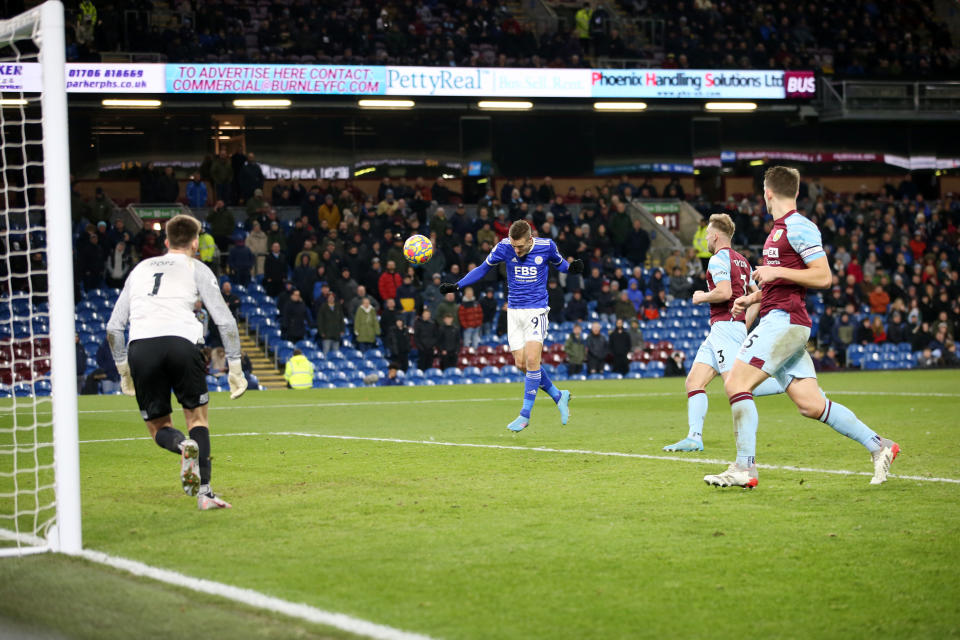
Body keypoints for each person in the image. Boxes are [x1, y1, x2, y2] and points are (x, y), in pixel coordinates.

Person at [705, 167, 899, 489]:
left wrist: (775, 272)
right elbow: (783, 282)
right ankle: (880, 446)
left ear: (768, 193)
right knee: (811, 404)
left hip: (785, 321)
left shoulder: (798, 226)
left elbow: (823, 277)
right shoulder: (777, 230)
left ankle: (744, 468)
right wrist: (753, 297)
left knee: (736, 382)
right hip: (779, 317)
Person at [106, 214, 245, 510]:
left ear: (166, 242)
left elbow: (113, 327)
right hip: (182, 343)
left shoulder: (141, 268)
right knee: (197, 419)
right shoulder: (198, 268)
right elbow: (225, 321)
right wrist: (235, 367)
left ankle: (182, 446)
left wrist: (123, 370)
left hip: (142, 346)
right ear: (195, 243)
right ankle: (205, 494)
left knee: (159, 428)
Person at [440, 220, 583, 431]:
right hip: (514, 312)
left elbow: (559, 263)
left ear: (531, 239)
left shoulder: (546, 246)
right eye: (514, 246)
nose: (517, 250)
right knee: (521, 364)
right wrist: (458, 285)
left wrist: (571, 269)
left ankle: (524, 415)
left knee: (533, 360)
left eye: (521, 246)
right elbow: (482, 269)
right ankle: (558, 395)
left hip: (536, 309)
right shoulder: (504, 247)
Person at [663, 213, 784, 453]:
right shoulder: (742, 261)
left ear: (716, 236)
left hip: (725, 328)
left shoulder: (718, 259)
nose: (706, 238)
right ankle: (694, 437)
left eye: (708, 234)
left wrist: (701, 297)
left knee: (740, 385)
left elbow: (724, 292)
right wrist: (744, 323)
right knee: (694, 381)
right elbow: (757, 296)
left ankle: (788, 383)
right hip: (725, 328)